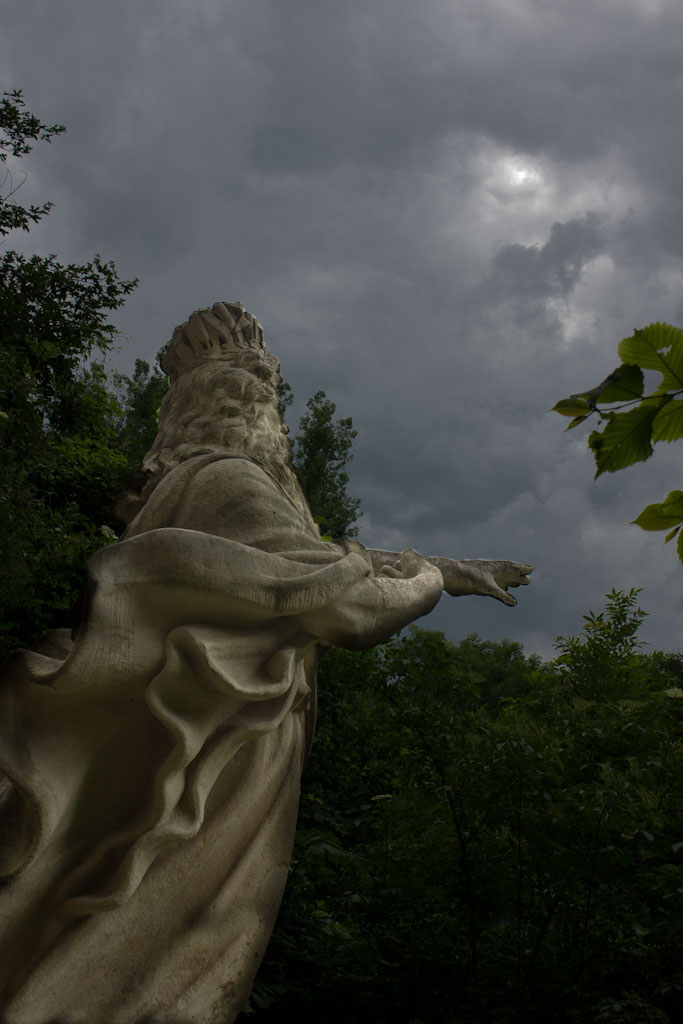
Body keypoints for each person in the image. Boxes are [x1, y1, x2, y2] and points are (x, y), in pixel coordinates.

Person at [0, 301, 531, 1023]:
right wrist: (431, 582)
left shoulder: (193, 486)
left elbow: (308, 558)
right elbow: (345, 603)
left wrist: (448, 566)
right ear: (243, 400)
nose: (277, 417)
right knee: (161, 969)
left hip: (222, 755)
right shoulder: (228, 480)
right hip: (227, 770)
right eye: (265, 391)